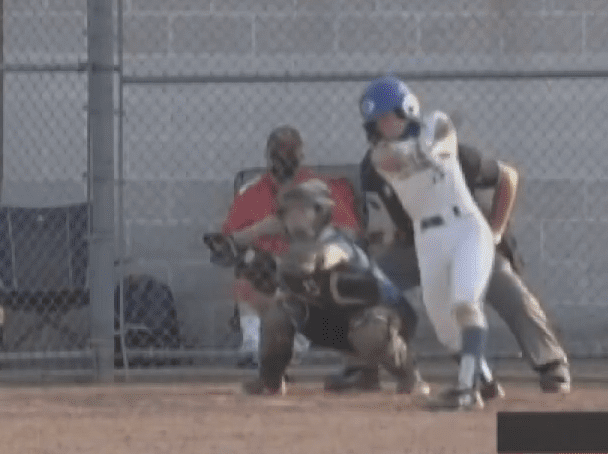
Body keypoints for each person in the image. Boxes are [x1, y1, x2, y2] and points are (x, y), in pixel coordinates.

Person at [353, 136, 575, 395]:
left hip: (468, 238)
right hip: (417, 246)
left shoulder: (450, 156)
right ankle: (362, 368)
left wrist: (496, 232)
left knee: (508, 289)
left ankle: (551, 363)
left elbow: (508, 177)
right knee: (364, 287)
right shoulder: (374, 168)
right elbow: (381, 227)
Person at [206, 179, 427, 399]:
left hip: (390, 320)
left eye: (300, 211)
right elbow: (270, 226)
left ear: (320, 212)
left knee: (369, 328)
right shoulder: (297, 233)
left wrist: (269, 265)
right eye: (288, 212)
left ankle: (409, 377)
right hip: (336, 320)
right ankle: (270, 382)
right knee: (277, 313)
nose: (292, 217)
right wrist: (235, 241)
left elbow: (314, 260)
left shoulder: (336, 243)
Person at [359, 77, 497, 411]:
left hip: (465, 227)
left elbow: (442, 145)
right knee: (445, 330)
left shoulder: (436, 123)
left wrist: (428, 149)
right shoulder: (380, 156)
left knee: (465, 304)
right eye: (378, 122)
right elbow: (399, 162)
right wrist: (420, 152)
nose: (384, 126)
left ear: (406, 110)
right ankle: (487, 383)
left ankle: (467, 391)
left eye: (389, 117)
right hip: (427, 239)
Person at [220, 127, 361, 365]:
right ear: (268, 155)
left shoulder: (320, 188)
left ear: (301, 155)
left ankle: (294, 345)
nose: (284, 157)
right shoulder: (253, 192)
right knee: (252, 264)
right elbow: (227, 241)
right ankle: (253, 345)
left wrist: (309, 228)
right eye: (279, 152)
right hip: (267, 268)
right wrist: (260, 229)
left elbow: (351, 234)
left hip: (308, 264)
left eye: (290, 151)